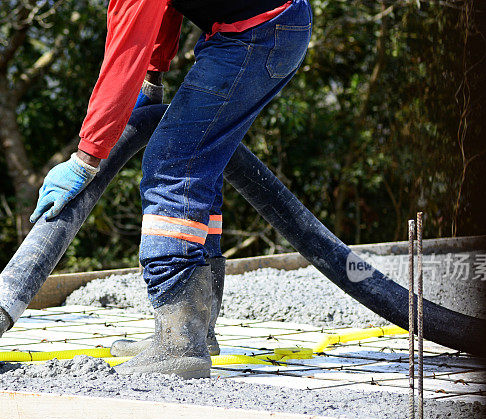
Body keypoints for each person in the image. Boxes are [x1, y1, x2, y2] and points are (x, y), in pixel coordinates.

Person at [31, 0, 313, 378]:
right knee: (199, 164)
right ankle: (193, 329)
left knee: (173, 163)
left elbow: (123, 54)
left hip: (258, 33)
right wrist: (152, 79)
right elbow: (161, 11)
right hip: (266, 27)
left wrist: (86, 158)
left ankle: (181, 345)